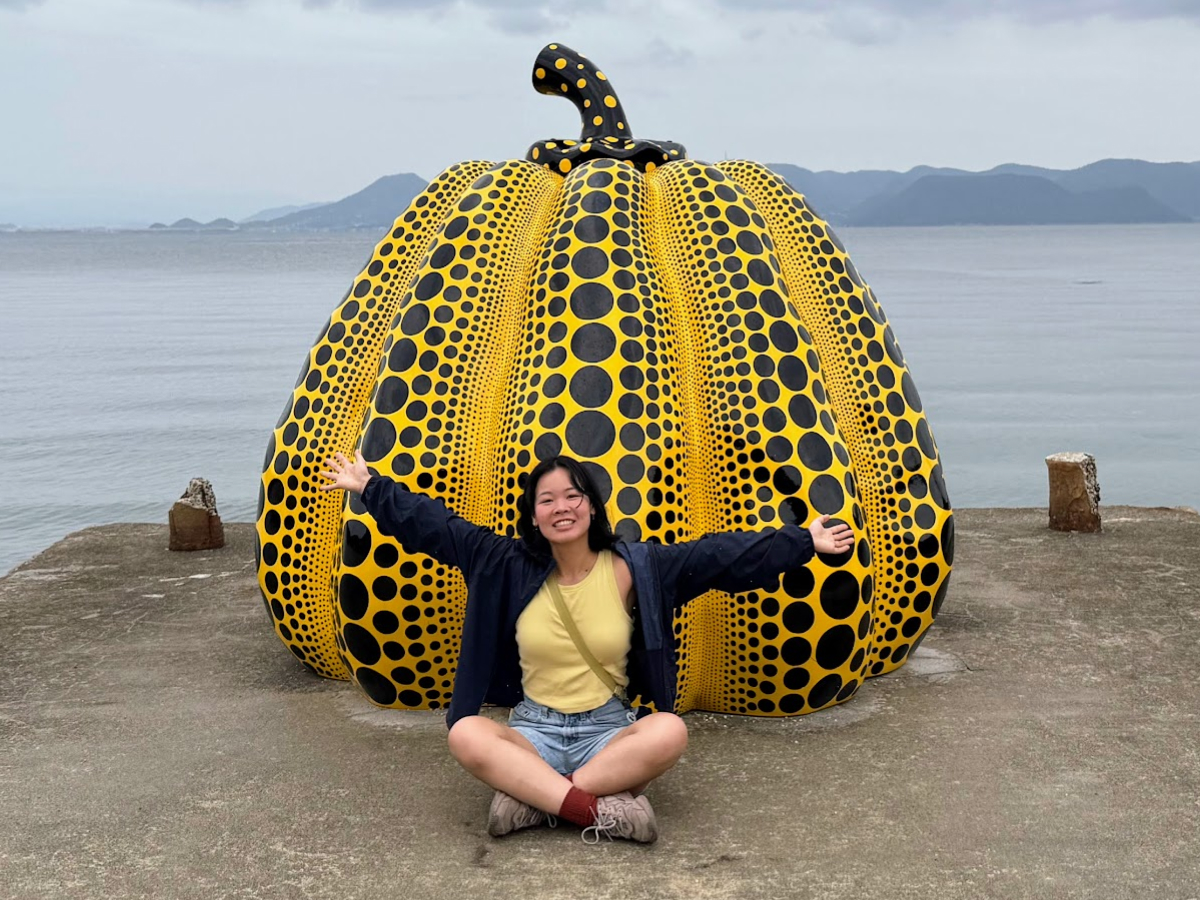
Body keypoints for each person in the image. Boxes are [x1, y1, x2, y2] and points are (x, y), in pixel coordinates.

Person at [320, 450, 853, 844]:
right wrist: (370, 488)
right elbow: (437, 527)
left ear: (592, 507)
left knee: (670, 730)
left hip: (608, 732)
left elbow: (718, 556)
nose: (562, 507)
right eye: (547, 499)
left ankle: (535, 799)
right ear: (533, 515)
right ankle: (595, 808)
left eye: (573, 495)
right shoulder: (503, 562)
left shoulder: (636, 567)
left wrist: (802, 541)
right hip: (534, 731)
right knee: (465, 733)